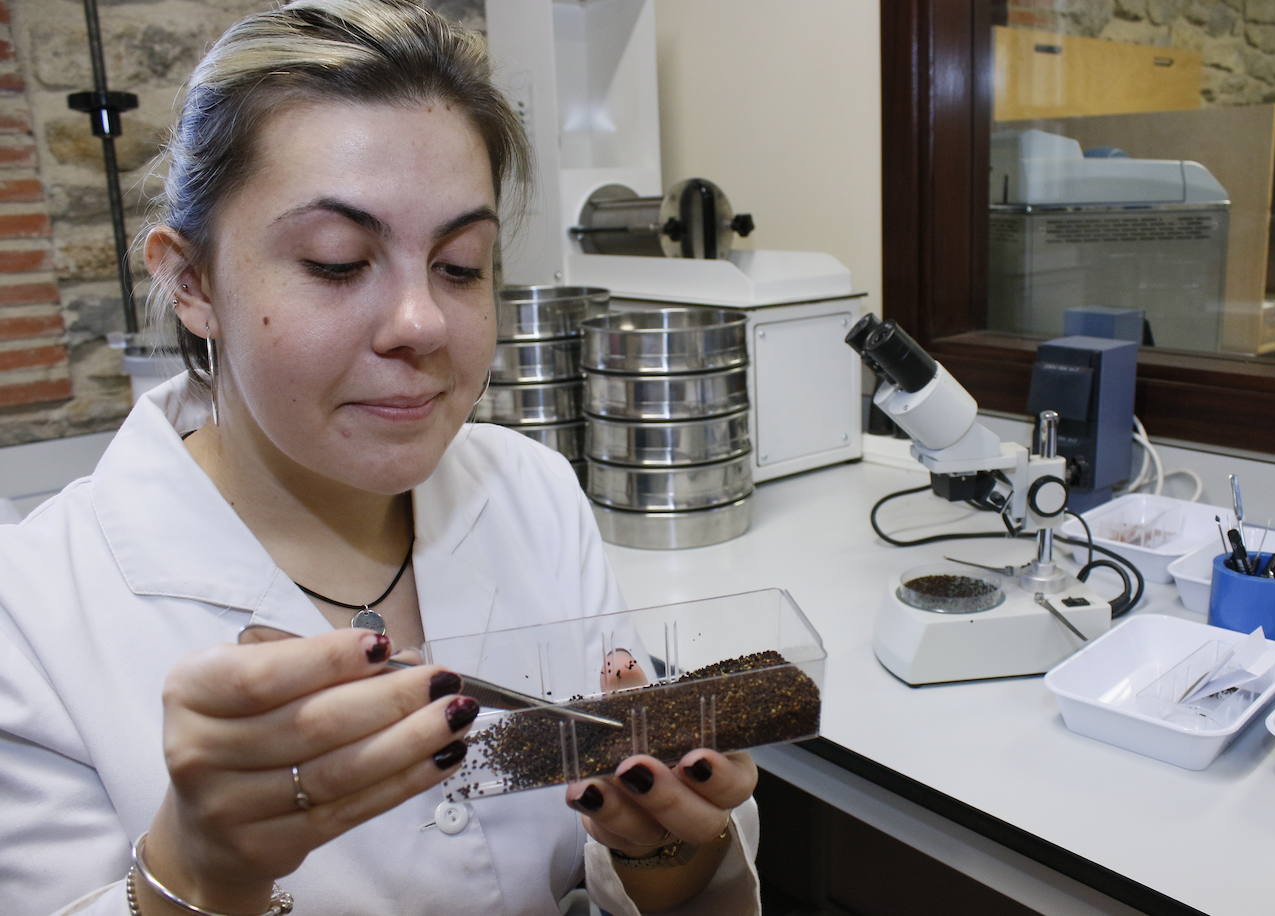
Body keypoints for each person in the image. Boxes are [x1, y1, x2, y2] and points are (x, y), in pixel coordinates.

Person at [0, 1, 760, 913]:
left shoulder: (530, 491)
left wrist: (658, 845)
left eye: (460, 264)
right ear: (190, 282)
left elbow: (635, 864)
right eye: (336, 261)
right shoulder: (33, 619)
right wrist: (194, 876)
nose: (422, 324)